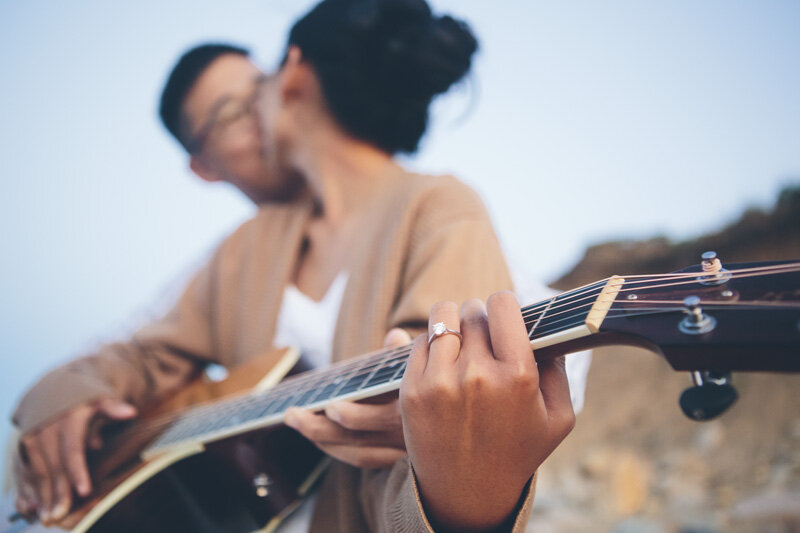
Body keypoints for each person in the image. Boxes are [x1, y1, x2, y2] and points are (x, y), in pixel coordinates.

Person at [10, 1, 573, 531]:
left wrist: (459, 493)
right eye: (231, 110)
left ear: (294, 74)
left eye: (257, 86)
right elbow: (142, 352)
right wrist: (58, 401)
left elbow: (436, 449)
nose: (255, 108)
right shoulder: (246, 247)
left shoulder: (439, 207)